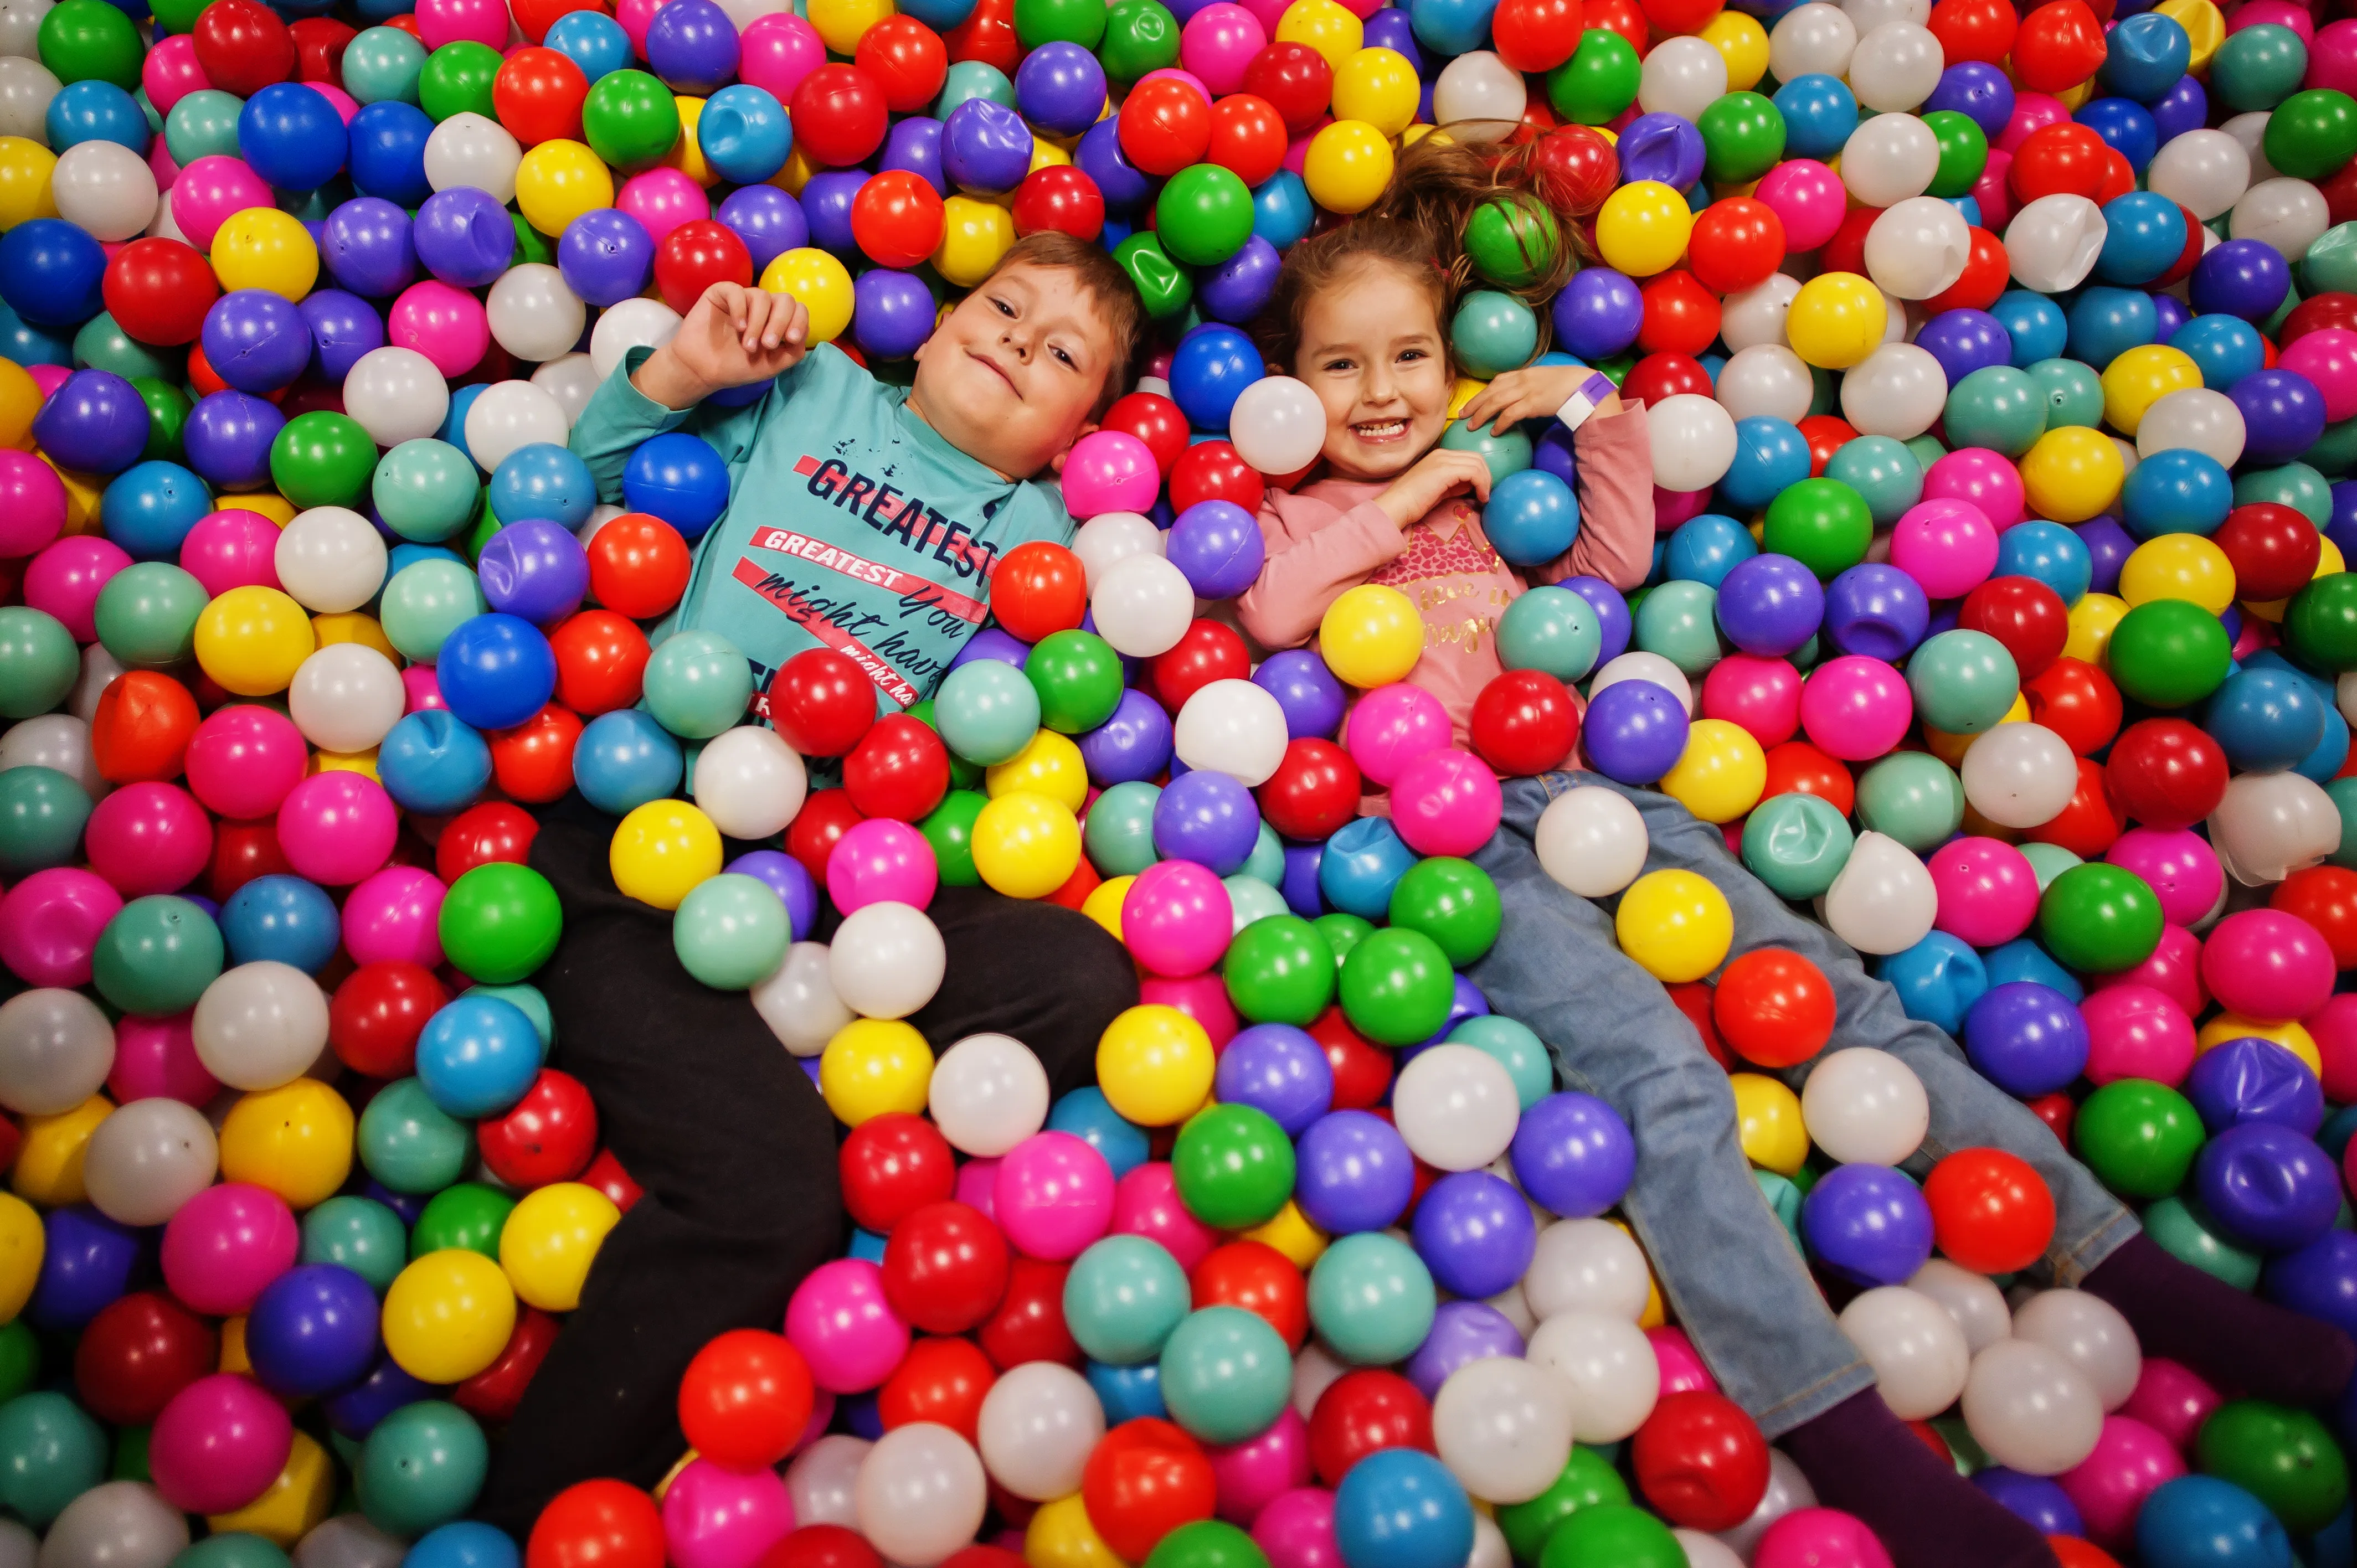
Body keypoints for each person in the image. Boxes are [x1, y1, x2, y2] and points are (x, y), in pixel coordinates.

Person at [1234, 138, 2355, 1568]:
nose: (1381, 392)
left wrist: (1583, 407)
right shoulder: (1299, 511)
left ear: (1454, 362)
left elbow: (1608, 566)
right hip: (1460, 843)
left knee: (1847, 1005)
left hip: (1599, 784)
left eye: (1409, 357)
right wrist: (1394, 504)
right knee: (1659, 1077)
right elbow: (1272, 613)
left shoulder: (1484, 496)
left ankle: (2124, 1265)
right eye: (1339, 367)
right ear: (1288, 391)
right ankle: (1838, 1427)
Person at [473, 235, 1147, 1534]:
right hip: (643, 831)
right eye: (1005, 306)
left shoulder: (1044, 537)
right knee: (773, 1198)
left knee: (1082, 973)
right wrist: (682, 370)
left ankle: (817, 1093)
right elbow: (583, 490)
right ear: (935, 324)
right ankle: (522, 1523)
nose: (1019, 339)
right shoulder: (811, 387)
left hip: (838, 878)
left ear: (1077, 437)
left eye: (1063, 353)